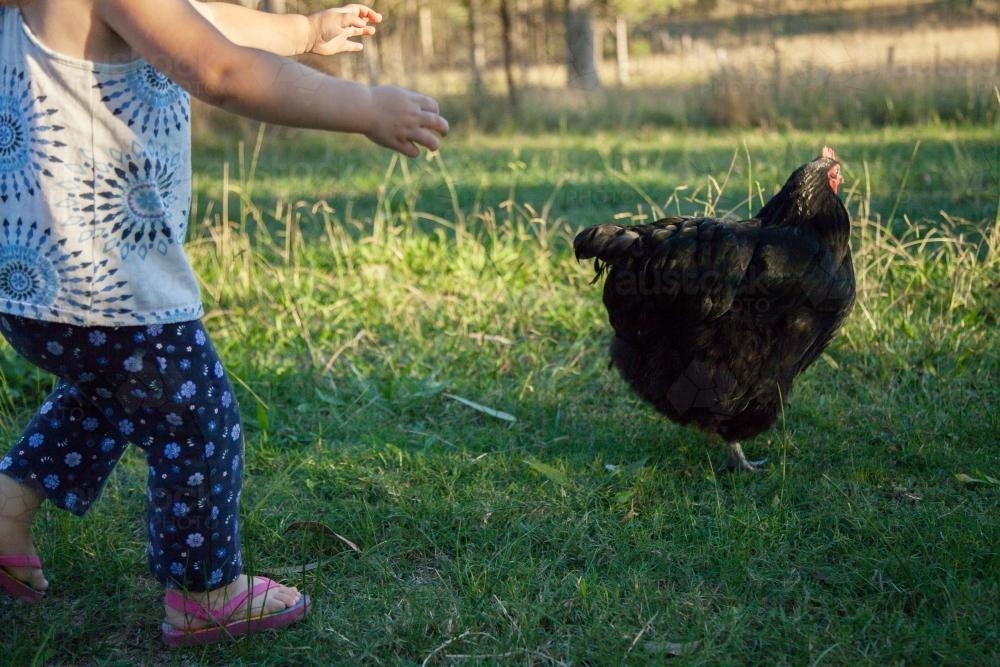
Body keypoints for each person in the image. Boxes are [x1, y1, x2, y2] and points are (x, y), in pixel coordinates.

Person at [0, 0, 448, 647]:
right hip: (102, 274)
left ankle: (7, 509)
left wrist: (306, 32)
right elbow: (221, 68)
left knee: (111, 391)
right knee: (196, 412)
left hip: (34, 280)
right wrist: (366, 107)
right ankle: (206, 591)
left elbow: (202, 20)